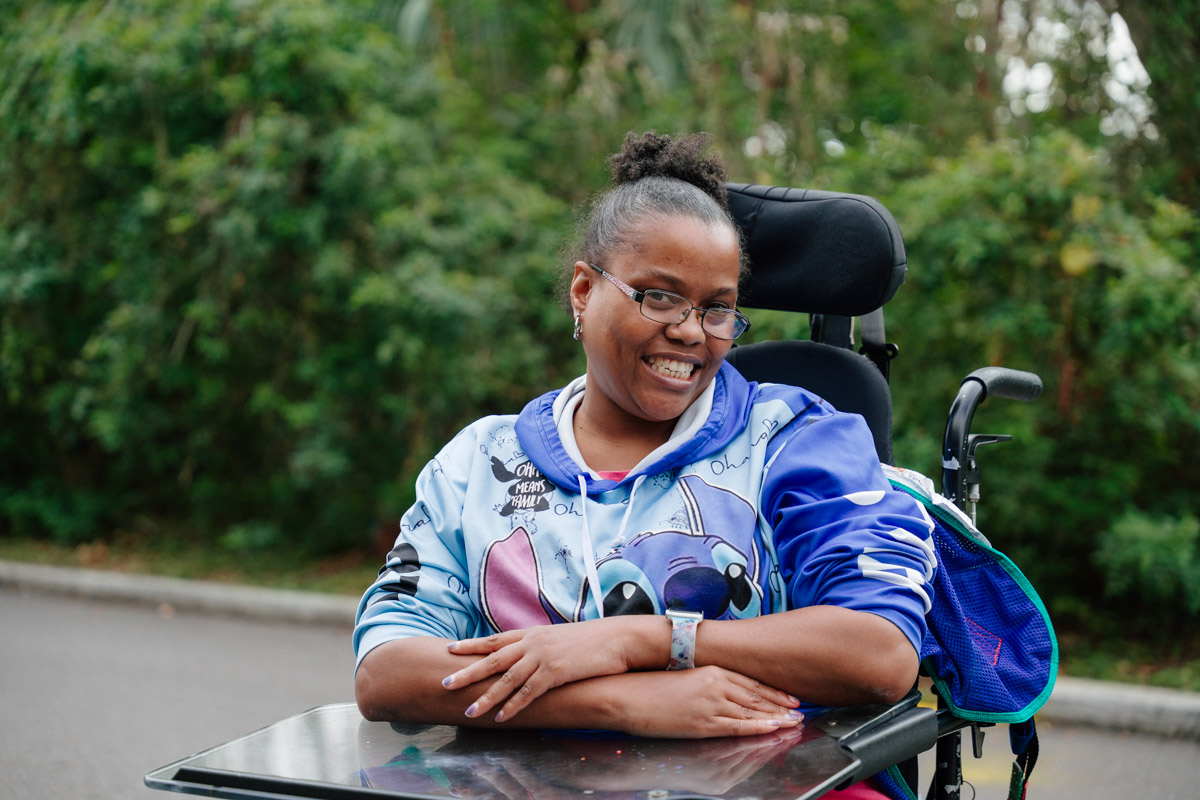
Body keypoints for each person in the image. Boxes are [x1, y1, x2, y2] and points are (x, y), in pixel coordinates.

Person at [353, 132, 936, 797]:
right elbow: (387, 671)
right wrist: (625, 703)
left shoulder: (796, 439)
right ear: (582, 289)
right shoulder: (478, 464)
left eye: (718, 308)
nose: (692, 330)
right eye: (659, 296)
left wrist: (646, 640)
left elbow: (881, 650)